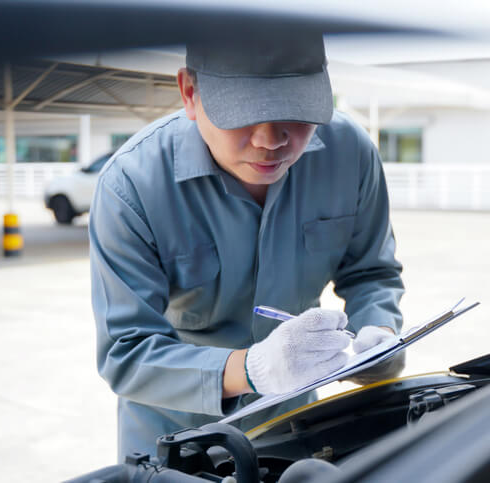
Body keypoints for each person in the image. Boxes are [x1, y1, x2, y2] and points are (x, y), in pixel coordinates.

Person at [89, 31, 404, 461]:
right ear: (189, 92)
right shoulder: (131, 186)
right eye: (242, 114)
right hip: (179, 444)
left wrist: (380, 333)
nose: (270, 140)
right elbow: (126, 353)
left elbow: (371, 273)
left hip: (297, 431)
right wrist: (250, 370)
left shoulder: (350, 153)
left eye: (294, 112)